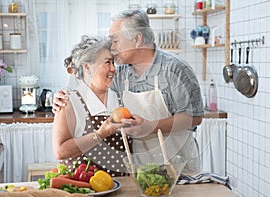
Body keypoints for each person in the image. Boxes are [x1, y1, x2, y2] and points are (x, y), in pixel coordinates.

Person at [53, 9, 204, 173]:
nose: (112, 47)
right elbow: (91, 83)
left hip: (178, 164)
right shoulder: (121, 74)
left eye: (115, 40)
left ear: (137, 39)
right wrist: (62, 96)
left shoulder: (175, 69)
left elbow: (195, 117)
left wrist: (151, 126)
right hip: (141, 169)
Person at [52, 35, 132, 177]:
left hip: (121, 188)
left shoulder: (120, 98)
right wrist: (100, 134)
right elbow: (60, 151)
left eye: (113, 62)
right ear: (87, 67)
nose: (113, 68)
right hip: (83, 189)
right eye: (107, 62)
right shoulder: (69, 102)